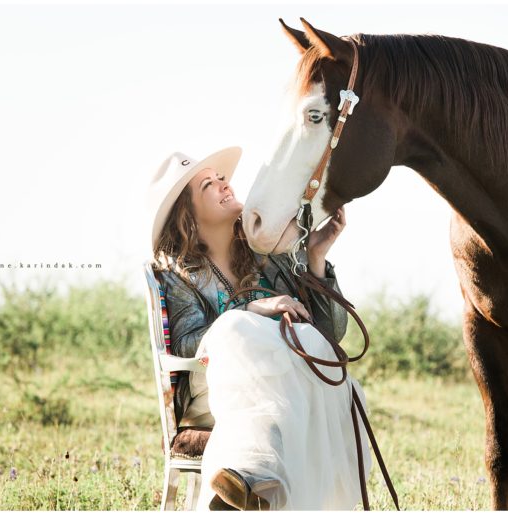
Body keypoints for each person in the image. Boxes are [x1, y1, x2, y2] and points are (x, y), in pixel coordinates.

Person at [146, 146, 371, 510]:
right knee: (235, 328)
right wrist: (250, 309)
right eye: (208, 185)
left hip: (281, 383)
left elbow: (329, 333)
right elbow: (187, 343)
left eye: (222, 178)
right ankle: (250, 474)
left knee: (322, 358)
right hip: (213, 389)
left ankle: (248, 485)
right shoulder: (177, 273)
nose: (224, 185)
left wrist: (315, 258)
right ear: (187, 213)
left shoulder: (267, 257)